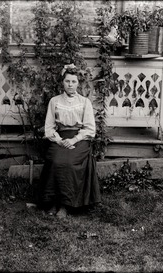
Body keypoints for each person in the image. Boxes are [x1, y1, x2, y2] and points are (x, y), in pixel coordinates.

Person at [38, 63, 101, 219]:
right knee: (55, 160)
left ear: (78, 83)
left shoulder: (84, 102)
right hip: (60, 138)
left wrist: (74, 139)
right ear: (63, 82)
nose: (70, 85)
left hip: (80, 139)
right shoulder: (55, 101)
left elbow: (90, 129)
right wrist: (59, 141)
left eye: (73, 82)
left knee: (69, 163)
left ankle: (66, 204)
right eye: (67, 81)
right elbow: (49, 127)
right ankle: (52, 202)